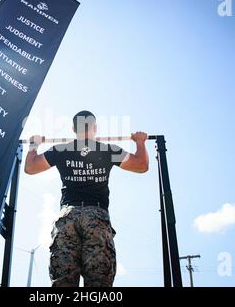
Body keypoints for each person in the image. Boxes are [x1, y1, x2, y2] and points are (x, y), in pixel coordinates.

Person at [24, 110, 149, 287]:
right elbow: (141, 165)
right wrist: (140, 142)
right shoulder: (107, 150)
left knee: (63, 283)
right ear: (95, 128)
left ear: (73, 128)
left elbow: (30, 167)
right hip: (96, 217)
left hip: (68, 217)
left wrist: (33, 146)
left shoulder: (61, 149)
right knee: (98, 283)